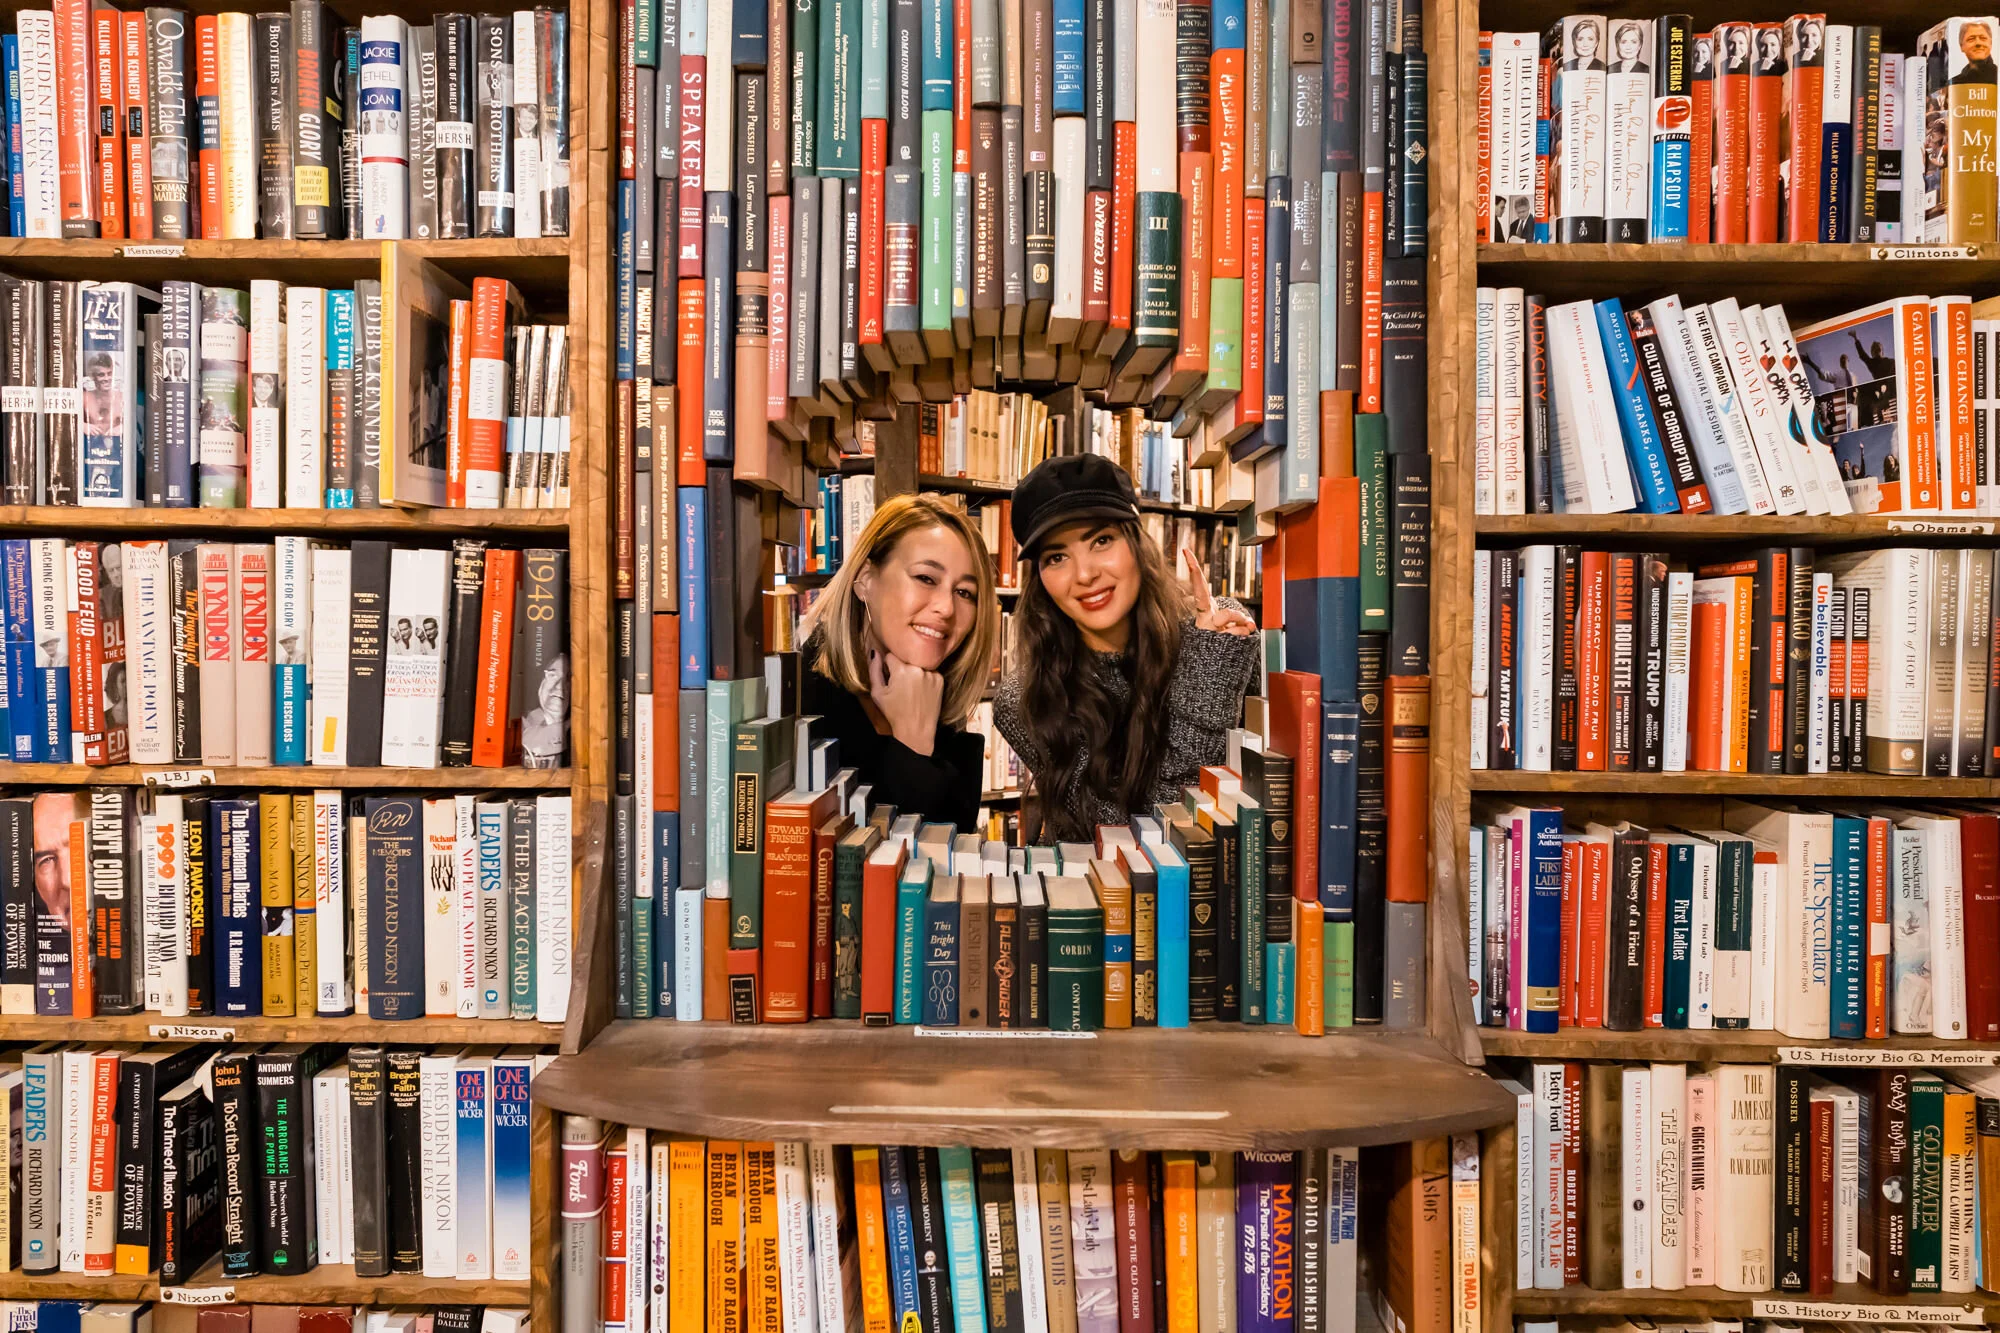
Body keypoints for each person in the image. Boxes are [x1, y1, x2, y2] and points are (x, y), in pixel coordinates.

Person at [994, 454, 1258, 843]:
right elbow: (1145, 844)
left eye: (1101, 540)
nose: (1085, 575)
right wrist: (1205, 682)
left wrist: (1208, 661)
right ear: (1041, 579)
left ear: (1136, 544)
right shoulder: (1027, 699)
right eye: (1057, 557)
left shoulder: (1219, 634)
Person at [797, 493, 1002, 831]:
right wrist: (912, 746)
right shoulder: (802, 702)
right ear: (865, 579)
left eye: (964, 592)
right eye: (926, 578)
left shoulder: (937, 696)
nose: (947, 608)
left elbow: (946, 863)